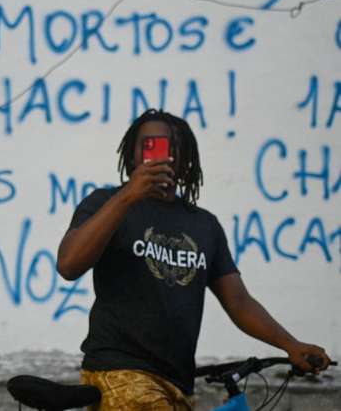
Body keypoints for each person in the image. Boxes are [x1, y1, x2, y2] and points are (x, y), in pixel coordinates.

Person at [56, 109, 331, 410]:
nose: (160, 153)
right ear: (133, 155)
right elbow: (69, 265)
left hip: (178, 381)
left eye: (171, 146)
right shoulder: (105, 203)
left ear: (186, 158)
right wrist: (127, 196)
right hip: (120, 372)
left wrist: (291, 345)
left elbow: (239, 303)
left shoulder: (204, 225)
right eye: (148, 145)